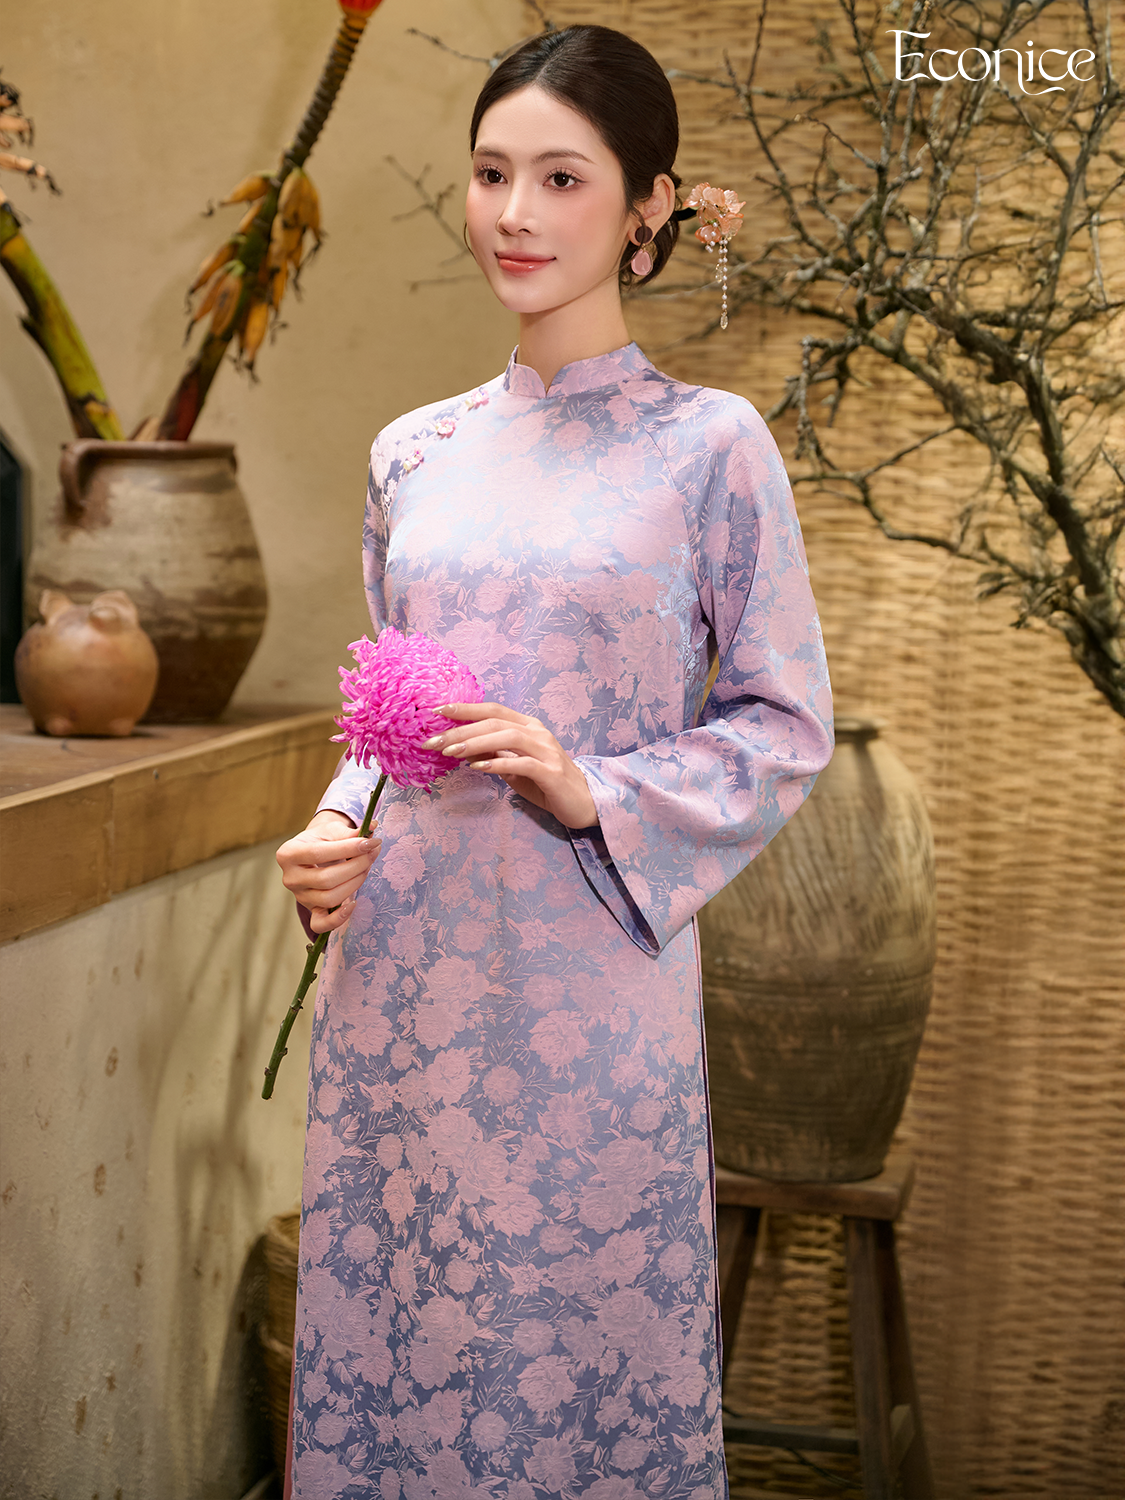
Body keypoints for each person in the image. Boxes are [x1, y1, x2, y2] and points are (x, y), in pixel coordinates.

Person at [276, 23, 833, 1500]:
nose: (514, 214)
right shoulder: (413, 452)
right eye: (490, 173)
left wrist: (600, 788)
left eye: (562, 178)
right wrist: (331, 829)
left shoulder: (712, 448)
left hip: (592, 988)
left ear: (650, 207)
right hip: (401, 987)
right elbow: (388, 712)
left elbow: (785, 724)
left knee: (571, 1367)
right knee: (400, 1344)